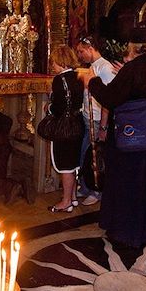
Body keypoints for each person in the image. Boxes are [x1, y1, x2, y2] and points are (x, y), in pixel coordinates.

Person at [80, 21, 146, 246]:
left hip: (132, 141)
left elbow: (110, 98)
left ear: (132, 46)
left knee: (129, 188)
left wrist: (90, 81)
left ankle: (127, 234)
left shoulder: (132, 69)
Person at [74, 36, 116, 205]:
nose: (79, 55)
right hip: (88, 118)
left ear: (91, 48)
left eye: (81, 51)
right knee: (85, 154)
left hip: (98, 120)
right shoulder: (93, 66)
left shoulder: (105, 67)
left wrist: (104, 127)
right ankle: (87, 186)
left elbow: (108, 99)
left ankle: (96, 190)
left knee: (95, 156)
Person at [46, 45, 84, 212]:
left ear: (59, 61)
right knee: (74, 163)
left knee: (65, 165)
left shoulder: (59, 80)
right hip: (78, 123)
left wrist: (48, 107)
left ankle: (66, 201)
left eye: (53, 62)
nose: (52, 66)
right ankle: (74, 197)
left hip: (64, 127)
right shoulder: (78, 76)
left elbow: (59, 108)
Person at [0, 0, 38, 73]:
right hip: (9, 49)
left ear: (22, 2)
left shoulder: (25, 18)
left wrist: (14, 38)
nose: (14, 2)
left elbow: (24, 32)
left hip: (20, 48)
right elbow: (0, 30)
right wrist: (9, 24)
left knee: (20, 71)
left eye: (17, 0)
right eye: (13, 0)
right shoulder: (8, 18)